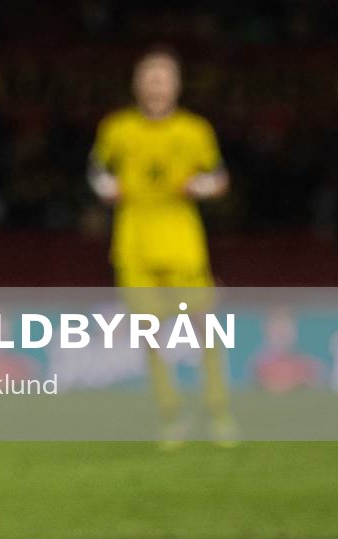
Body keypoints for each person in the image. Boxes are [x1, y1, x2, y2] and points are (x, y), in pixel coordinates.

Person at [89, 48, 236, 447]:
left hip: (181, 238)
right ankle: (171, 414)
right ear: (138, 85)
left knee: (204, 325)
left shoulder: (194, 131)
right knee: (149, 333)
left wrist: (201, 187)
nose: (156, 85)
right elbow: (97, 172)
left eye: (163, 78)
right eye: (150, 78)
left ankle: (218, 409)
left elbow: (219, 177)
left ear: (176, 85)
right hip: (134, 239)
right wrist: (106, 189)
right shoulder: (117, 128)